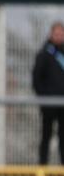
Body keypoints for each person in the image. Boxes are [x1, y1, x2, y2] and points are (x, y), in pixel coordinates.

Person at [31, 22, 64, 164]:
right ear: (51, 34)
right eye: (56, 33)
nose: (59, 36)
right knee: (46, 135)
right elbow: (36, 78)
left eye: (61, 34)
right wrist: (43, 97)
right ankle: (42, 166)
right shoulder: (45, 53)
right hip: (48, 104)